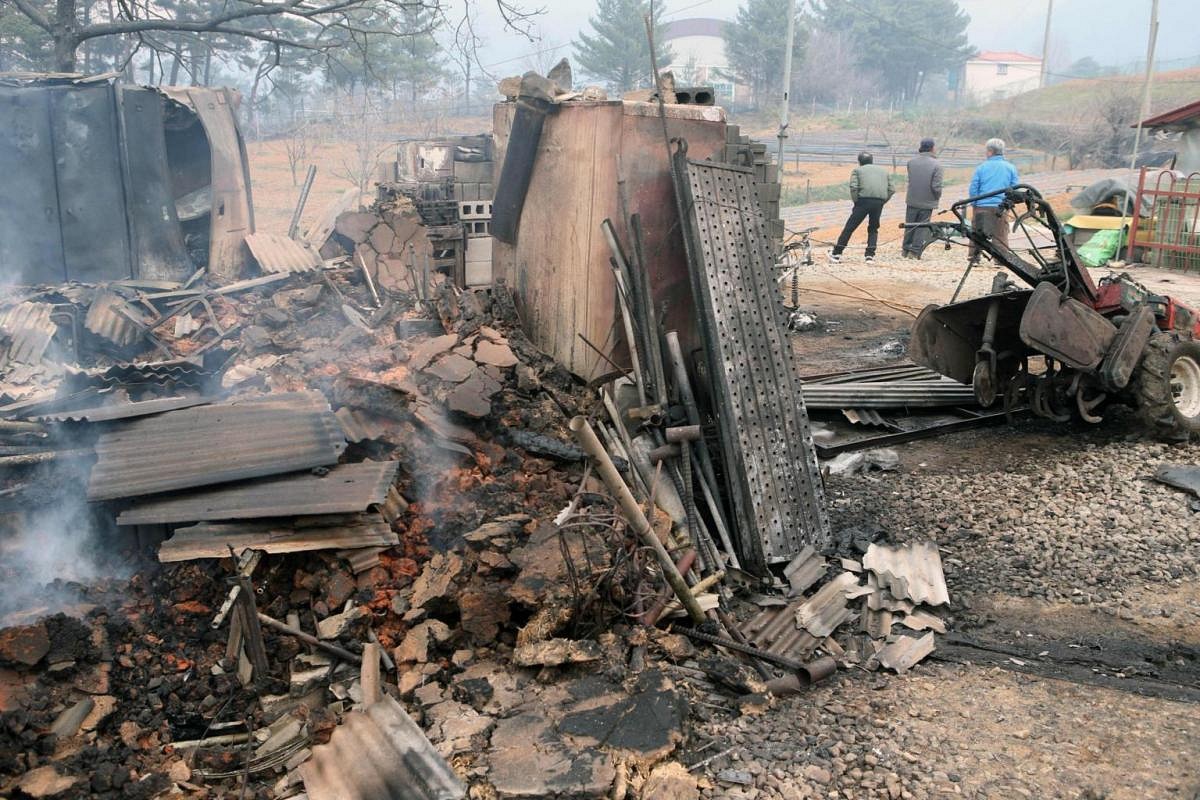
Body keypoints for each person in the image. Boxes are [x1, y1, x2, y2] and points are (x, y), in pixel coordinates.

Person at [830, 151, 895, 263]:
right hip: (878, 202)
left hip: (863, 201)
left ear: (859, 162)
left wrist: (856, 201)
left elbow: (854, 187)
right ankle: (870, 256)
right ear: (872, 160)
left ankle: (836, 253)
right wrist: (883, 201)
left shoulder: (857, 171)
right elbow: (892, 189)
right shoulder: (884, 171)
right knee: (873, 228)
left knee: (850, 227)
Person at [967, 137, 1019, 265]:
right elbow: (1014, 188)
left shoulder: (981, 168)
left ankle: (974, 258)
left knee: (978, 233)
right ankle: (1000, 260)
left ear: (990, 151)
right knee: (1000, 234)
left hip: (982, 205)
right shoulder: (1010, 168)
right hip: (1001, 206)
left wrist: (974, 204)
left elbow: (974, 187)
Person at [902, 138, 943, 259]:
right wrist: (937, 197)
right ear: (932, 148)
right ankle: (914, 252)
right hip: (927, 200)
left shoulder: (911, 162)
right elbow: (936, 186)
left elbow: (910, 180)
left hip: (912, 199)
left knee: (910, 224)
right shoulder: (937, 165)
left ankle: (905, 250)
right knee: (921, 226)